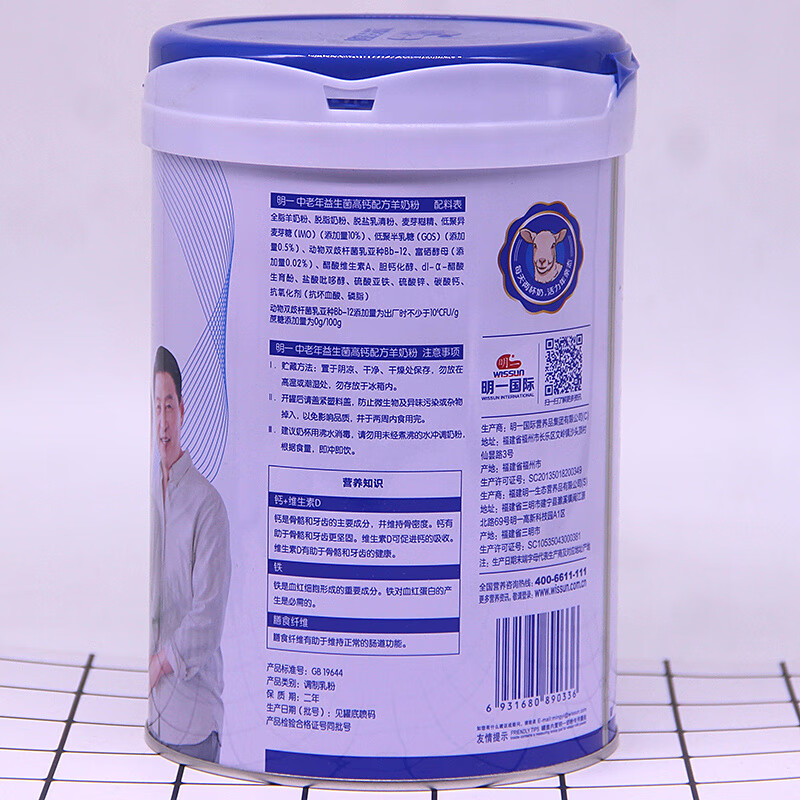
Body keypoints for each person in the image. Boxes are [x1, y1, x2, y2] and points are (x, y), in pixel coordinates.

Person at [148, 346, 231, 764]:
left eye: (169, 405)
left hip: (194, 719)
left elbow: (208, 618)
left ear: (182, 410)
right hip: (156, 712)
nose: (163, 421)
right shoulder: (152, 498)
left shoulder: (206, 505)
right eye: (155, 407)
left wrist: (161, 663)